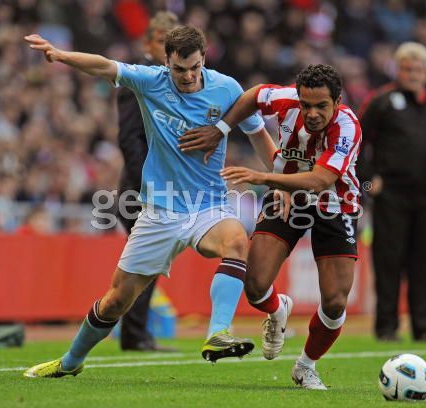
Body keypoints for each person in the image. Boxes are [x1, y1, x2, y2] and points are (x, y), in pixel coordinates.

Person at [23, 25, 272, 378]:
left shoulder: (227, 88)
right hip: (159, 211)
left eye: (194, 67)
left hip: (208, 206)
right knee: (116, 301)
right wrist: (61, 55)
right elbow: (103, 65)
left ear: (204, 59)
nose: (188, 76)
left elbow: (258, 133)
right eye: (179, 69)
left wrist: (284, 175)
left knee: (235, 240)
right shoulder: (150, 81)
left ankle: (218, 333)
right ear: (166, 61)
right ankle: (71, 361)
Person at [182, 64, 362, 390]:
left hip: (335, 203)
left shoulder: (347, 127)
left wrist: (264, 177)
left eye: (321, 106)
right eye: (306, 105)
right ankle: (278, 310)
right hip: (286, 196)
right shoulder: (284, 99)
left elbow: (321, 180)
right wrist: (221, 129)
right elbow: (251, 96)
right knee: (255, 285)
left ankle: (306, 366)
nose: (312, 113)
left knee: (335, 301)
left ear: (337, 101)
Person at [358, 42, 426, 343]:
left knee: (424, 261)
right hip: (390, 194)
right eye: (407, 68)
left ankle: (424, 327)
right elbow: (355, 142)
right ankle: (386, 327)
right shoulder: (381, 101)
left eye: (418, 69)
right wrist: (369, 183)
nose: (412, 74)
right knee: (389, 261)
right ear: (398, 70)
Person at [115, 11, 179, 353]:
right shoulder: (139, 80)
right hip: (141, 189)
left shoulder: (168, 82)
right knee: (146, 263)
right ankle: (134, 334)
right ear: (147, 42)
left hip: (157, 187)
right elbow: (129, 138)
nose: (168, 50)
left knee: (149, 263)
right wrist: (147, 186)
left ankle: (135, 333)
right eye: (162, 41)